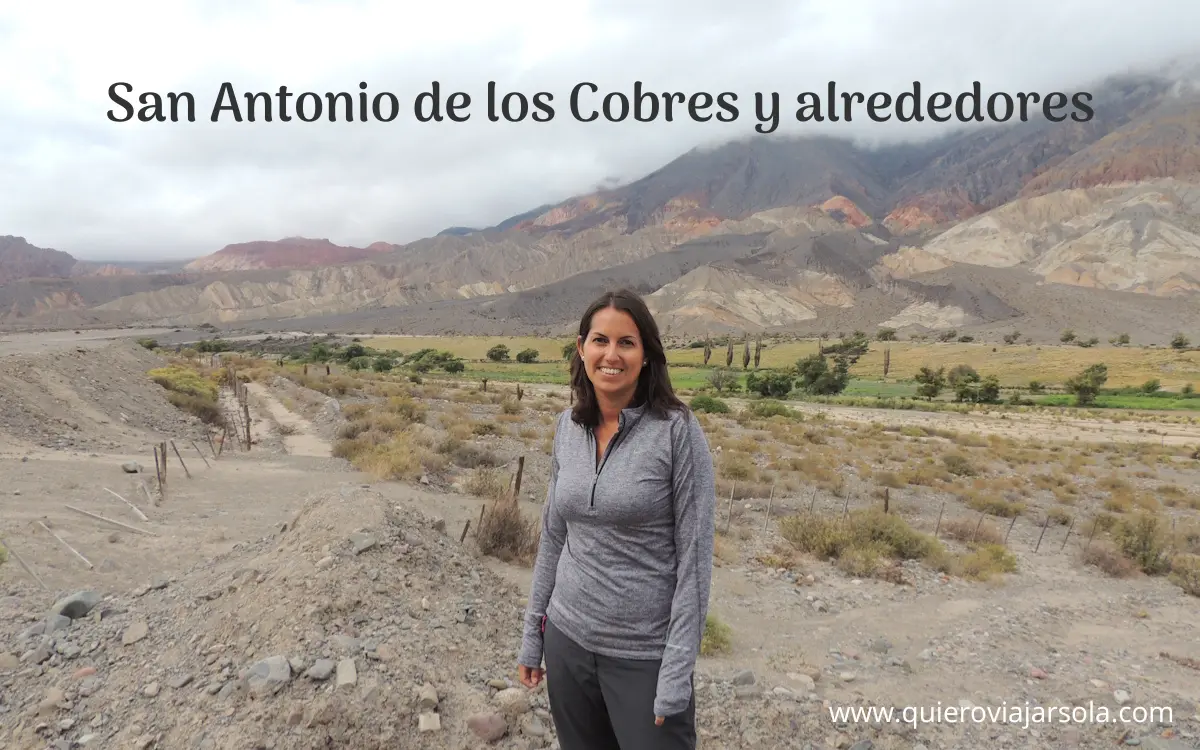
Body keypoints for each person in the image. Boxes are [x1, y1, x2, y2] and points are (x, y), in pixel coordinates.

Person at [516, 288, 717, 750]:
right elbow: (552, 536)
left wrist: (676, 672)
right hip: (566, 642)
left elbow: (695, 561)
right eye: (600, 340)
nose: (612, 354)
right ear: (582, 349)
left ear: (647, 356)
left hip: (642, 654)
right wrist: (534, 633)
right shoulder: (567, 427)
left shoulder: (677, 432)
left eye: (627, 342)